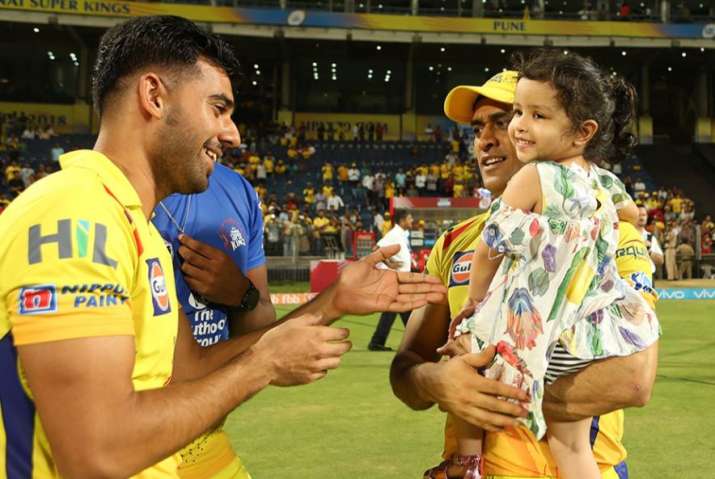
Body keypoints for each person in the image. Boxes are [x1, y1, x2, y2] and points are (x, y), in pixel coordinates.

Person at [0, 16, 447, 478]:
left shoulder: (136, 230)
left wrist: (333, 301)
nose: (232, 134)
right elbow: (95, 454)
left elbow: (191, 372)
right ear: (154, 97)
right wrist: (262, 365)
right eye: (218, 108)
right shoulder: (75, 216)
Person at [391, 68, 658, 479]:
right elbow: (407, 367)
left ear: (571, 131)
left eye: (503, 119)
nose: (486, 138)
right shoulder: (454, 243)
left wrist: (495, 389)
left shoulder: (606, 233)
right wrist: (437, 382)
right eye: (480, 127)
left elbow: (634, 381)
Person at [153, 161, 274, 478]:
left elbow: (260, 322)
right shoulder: (108, 202)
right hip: (140, 445)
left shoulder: (238, 190)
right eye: (216, 109)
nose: (230, 133)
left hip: (205, 438)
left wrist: (240, 295)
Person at [368, 209, 414, 351]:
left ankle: (377, 342)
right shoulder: (394, 234)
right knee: (403, 311)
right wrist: (390, 263)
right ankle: (414, 342)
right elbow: (376, 249)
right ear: (402, 220)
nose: (412, 221)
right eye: (409, 218)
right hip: (396, 278)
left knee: (399, 311)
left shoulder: (401, 234)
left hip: (400, 278)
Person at [636, 205, 664, 272]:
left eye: (644, 215)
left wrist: (648, 251)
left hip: (648, 277)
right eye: (639, 215)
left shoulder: (651, 237)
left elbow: (661, 260)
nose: (641, 217)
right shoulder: (626, 235)